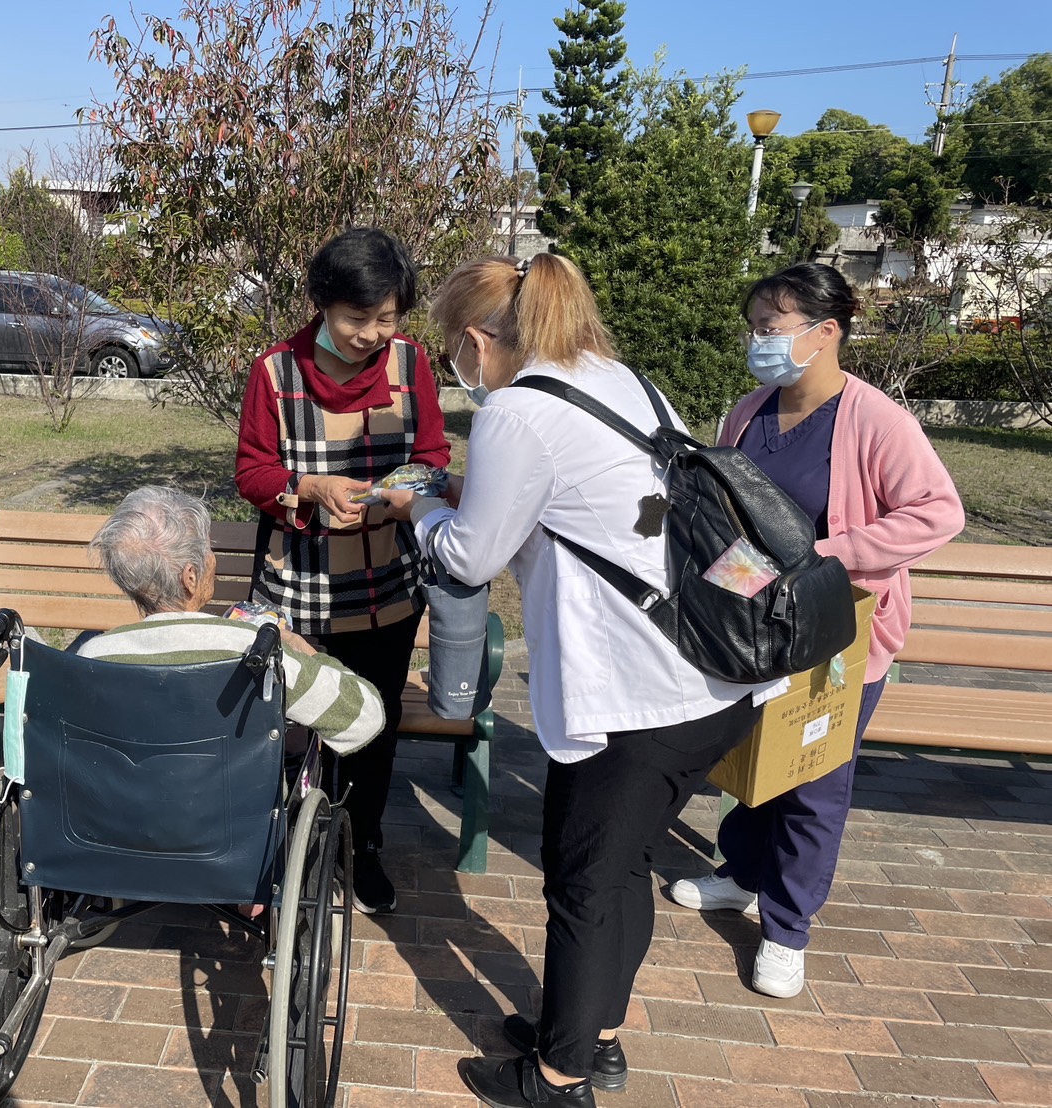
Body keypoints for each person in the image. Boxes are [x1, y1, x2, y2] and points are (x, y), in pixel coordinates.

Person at [380, 253, 784, 1108]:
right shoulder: (616, 379)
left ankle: (558, 1079)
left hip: (634, 694)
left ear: (482, 339)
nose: (457, 365)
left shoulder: (517, 412)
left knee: (583, 881)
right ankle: (591, 1034)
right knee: (622, 865)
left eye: (455, 347)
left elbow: (468, 556)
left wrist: (416, 508)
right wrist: (484, 495)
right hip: (713, 677)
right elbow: (639, 512)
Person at [665, 263, 964, 999]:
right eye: (757, 329)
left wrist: (828, 555)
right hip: (757, 626)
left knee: (815, 780)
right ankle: (740, 872)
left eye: (771, 329)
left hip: (838, 633)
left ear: (825, 333)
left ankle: (788, 927)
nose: (759, 343)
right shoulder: (748, 411)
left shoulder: (875, 420)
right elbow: (730, 512)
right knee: (755, 758)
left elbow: (936, 513)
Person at [235, 227, 450, 915]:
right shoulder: (275, 371)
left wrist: (403, 493)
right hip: (295, 583)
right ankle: (273, 839)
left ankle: (362, 845)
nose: (371, 333)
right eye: (358, 318)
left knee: (371, 724)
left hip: (384, 584)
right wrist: (305, 487)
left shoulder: (410, 363)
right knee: (283, 717)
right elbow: (253, 471)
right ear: (322, 304)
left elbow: (433, 456)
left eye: (386, 318)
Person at [81, 486, 386, 756]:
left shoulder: (92, 658)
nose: (212, 559)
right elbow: (364, 717)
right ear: (190, 576)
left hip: (123, 817)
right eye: (207, 548)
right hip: (237, 816)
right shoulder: (254, 650)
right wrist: (303, 649)